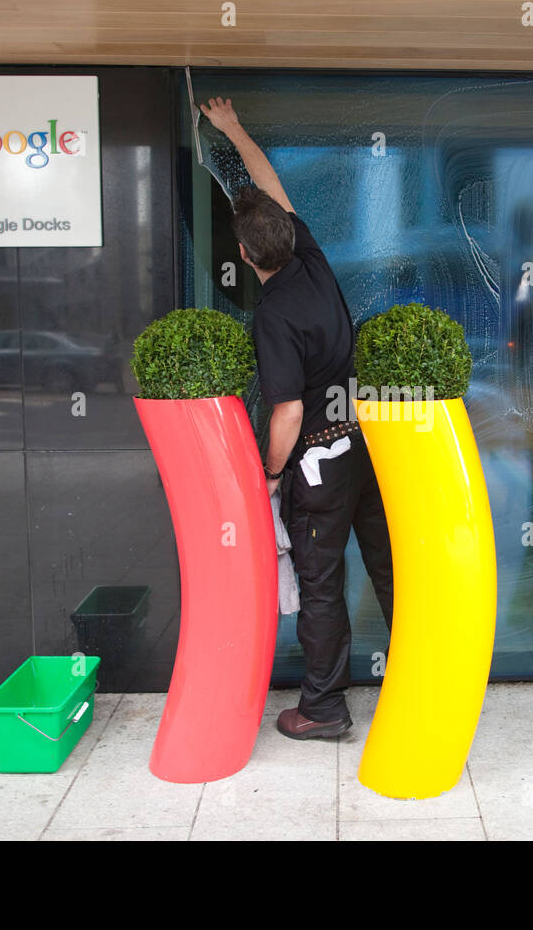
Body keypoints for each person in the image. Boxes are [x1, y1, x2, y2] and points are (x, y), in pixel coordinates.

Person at [199, 96, 394, 740]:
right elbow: (270, 188)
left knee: (321, 586)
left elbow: (285, 411)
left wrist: (270, 476)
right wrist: (232, 128)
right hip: (362, 448)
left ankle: (324, 709)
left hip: (316, 463)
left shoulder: (275, 313)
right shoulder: (310, 255)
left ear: (246, 255)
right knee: (388, 565)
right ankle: (416, 673)